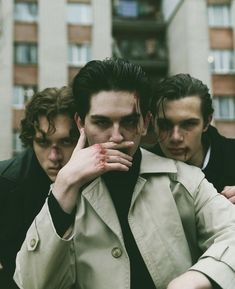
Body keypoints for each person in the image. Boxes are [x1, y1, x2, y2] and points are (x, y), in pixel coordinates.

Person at [14, 58, 235, 289]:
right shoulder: (65, 193)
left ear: (145, 123)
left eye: (129, 121)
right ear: (81, 123)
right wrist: (65, 184)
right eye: (102, 122)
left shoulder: (184, 180)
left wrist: (200, 277)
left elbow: (230, 231)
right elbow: (32, 282)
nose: (117, 137)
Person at [0, 86, 79, 288]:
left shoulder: (100, 179)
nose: (54, 157)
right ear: (31, 140)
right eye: (43, 142)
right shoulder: (5, 182)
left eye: (66, 142)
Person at [149, 73, 235, 203]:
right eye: (165, 125)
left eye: (188, 124)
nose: (175, 137)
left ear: (207, 122)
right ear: (151, 122)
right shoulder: (139, 169)